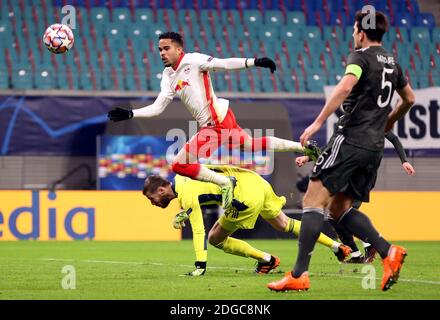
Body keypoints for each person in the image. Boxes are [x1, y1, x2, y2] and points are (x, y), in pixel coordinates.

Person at [268, 11, 416, 292]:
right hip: (374, 147)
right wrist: (389, 122)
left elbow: (346, 86)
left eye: (354, 29)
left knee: (312, 200)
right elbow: (409, 98)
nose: (353, 34)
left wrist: (318, 122)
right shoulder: (393, 63)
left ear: (360, 31)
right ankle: (388, 252)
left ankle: (299, 274)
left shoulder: (359, 57)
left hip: (350, 139)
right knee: (338, 208)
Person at [107, 32, 320, 210]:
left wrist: (253, 62)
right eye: (160, 50)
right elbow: (158, 107)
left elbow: (223, 64)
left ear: (179, 50)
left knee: (180, 164)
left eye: (166, 48)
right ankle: (305, 147)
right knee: (251, 144)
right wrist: (131, 114)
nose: (162, 53)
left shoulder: (193, 60)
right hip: (219, 120)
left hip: (216, 123)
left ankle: (224, 183)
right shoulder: (167, 75)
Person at [142, 165, 352, 276]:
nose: (153, 203)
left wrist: (200, 265)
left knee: (216, 237)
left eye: (153, 199)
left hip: (243, 196)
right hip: (255, 181)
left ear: (161, 189)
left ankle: (267, 260)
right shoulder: (183, 176)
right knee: (284, 224)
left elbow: (199, 231)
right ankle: (337, 247)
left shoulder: (186, 194)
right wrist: (186, 211)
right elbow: (209, 185)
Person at [296, 131, 416, 263]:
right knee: (334, 216)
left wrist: (404, 161)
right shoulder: (346, 121)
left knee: (343, 213)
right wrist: (307, 158)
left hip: (362, 175)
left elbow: (393, 138)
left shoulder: (371, 120)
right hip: (347, 174)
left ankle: (371, 245)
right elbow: (331, 147)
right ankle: (357, 253)